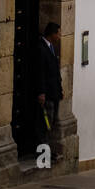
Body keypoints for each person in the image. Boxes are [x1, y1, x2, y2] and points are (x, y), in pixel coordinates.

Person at [33, 21, 64, 156]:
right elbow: (40, 72)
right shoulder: (41, 49)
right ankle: (43, 154)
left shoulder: (51, 47)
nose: (60, 36)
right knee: (45, 124)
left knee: (51, 123)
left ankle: (48, 151)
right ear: (52, 34)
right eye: (58, 33)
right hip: (47, 94)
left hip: (54, 92)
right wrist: (41, 92)